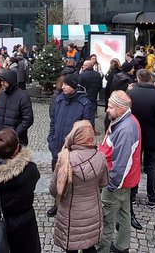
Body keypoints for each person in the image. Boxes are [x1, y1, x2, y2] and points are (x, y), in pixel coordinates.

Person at [50, 121, 108, 253]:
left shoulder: (65, 159)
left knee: (71, 247)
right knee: (89, 246)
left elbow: (54, 189)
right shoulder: (100, 156)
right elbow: (103, 183)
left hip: (71, 214)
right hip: (93, 212)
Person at [97, 91, 141, 253]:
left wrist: (112, 184)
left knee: (106, 219)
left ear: (121, 108)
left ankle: (101, 249)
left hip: (116, 182)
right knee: (123, 214)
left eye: (110, 107)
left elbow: (122, 161)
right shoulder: (124, 121)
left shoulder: (126, 129)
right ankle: (122, 246)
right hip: (125, 181)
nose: (107, 110)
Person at [46, 74, 95, 217]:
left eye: (66, 85)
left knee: (73, 180)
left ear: (73, 86)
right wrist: (52, 139)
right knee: (57, 177)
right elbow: (53, 122)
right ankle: (57, 203)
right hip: (57, 147)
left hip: (74, 151)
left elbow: (87, 130)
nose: (62, 87)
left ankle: (72, 206)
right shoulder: (59, 100)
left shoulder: (85, 104)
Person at [128, 69, 155, 210]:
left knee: (134, 165)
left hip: (134, 135)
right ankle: (152, 197)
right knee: (151, 167)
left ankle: (132, 195)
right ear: (150, 79)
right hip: (153, 136)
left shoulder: (130, 94)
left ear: (138, 78)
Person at [0, 69, 34, 146]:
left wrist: (14, 134)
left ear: (10, 81)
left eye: (4, 81)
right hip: (2, 140)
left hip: (17, 140)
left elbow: (28, 120)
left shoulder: (23, 97)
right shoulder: (0, 95)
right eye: (1, 81)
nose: (2, 83)